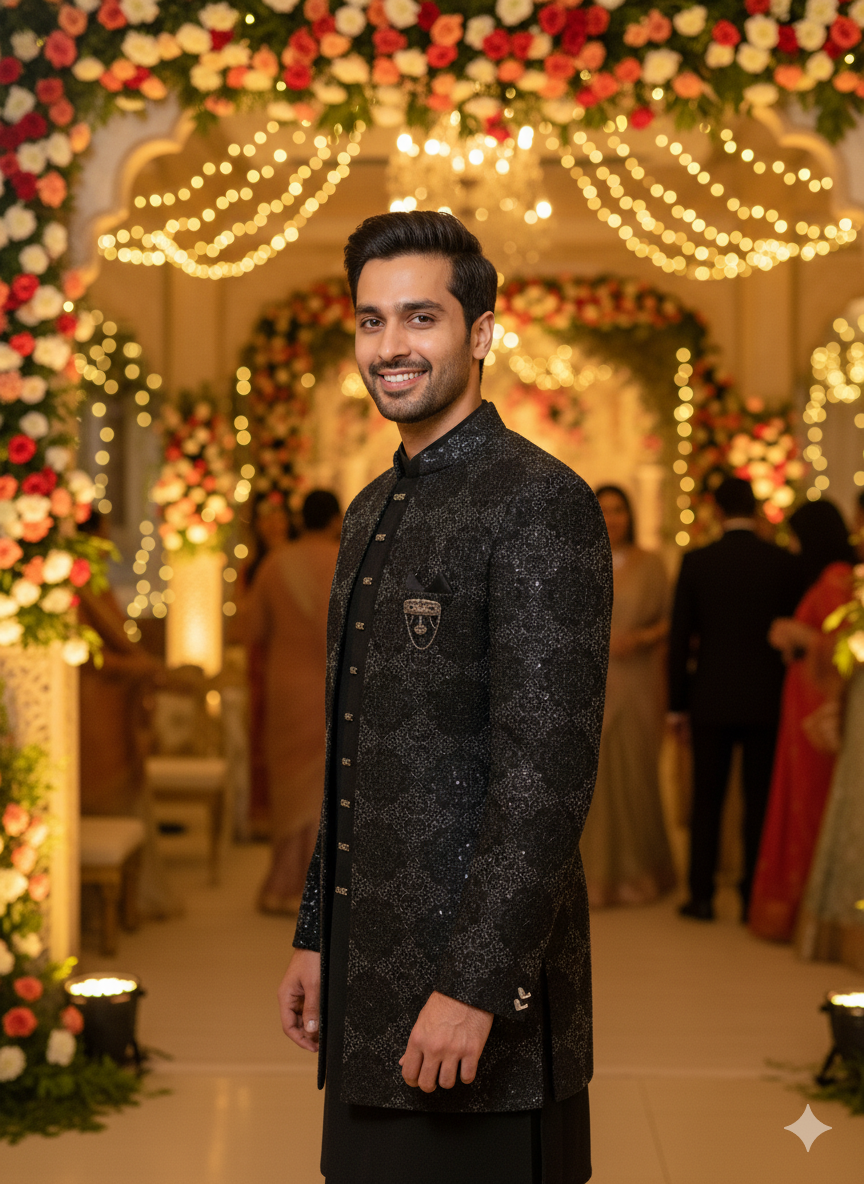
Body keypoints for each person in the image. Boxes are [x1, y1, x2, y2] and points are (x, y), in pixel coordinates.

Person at [277, 212, 611, 1184]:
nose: (391, 346)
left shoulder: (540, 502)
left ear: (482, 333)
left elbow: (547, 775)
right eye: (372, 320)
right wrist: (314, 934)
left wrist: (473, 986)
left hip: (478, 1015)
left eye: (420, 317)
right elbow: (352, 756)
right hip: (368, 984)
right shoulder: (371, 512)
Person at [668, 477, 800, 922]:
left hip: (711, 696)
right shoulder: (782, 562)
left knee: (707, 798)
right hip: (768, 696)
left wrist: (676, 705)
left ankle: (701, 895)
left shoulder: (698, 562)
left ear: (718, 512)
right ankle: (751, 896)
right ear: (756, 509)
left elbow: (680, 640)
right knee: (759, 797)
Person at [748, 499, 856, 943]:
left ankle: (804, 907)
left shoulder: (835, 579)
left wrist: (797, 634)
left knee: (808, 800)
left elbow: (841, 648)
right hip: (802, 706)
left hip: (815, 712)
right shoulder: (835, 576)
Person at [246, 489, 341, 915]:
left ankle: (283, 886)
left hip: (286, 686)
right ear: (336, 519)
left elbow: (250, 629)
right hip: (336, 685)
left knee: (290, 783)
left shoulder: (275, 563)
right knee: (328, 782)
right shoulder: (348, 560)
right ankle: (323, 894)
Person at [580, 485, 675, 907]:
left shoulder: (652, 565)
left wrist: (638, 638)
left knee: (637, 773)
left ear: (630, 515)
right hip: (591, 681)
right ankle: (597, 877)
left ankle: (641, 873)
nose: (612, 518)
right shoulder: (578, 562)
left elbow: (669, 622)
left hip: (637, 679)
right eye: (604, 510)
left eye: (619, 510)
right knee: (593, 779)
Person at [237, 494, 293, 839]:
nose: (273, 523)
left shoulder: (301, 562)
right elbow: (243, 623)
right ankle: (263, 814)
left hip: (298, 658)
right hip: (263, 659)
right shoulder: (252, 568)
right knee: (261, 730)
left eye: (279, 516)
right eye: (266, 517)